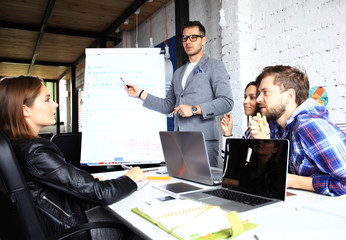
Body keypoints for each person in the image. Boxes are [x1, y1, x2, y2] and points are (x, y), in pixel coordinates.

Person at [0, 76, 146, 239]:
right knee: (141, 226)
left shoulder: (16, 146)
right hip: (72, 230)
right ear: (25, 109)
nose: (55, 104)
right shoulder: (35, 153)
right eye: (47, 99)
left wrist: (86, 181)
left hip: (58, 224)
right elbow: (102, 193)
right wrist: (131, 178)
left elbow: (56, 185)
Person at [126, 21, 233, 167]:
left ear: (204, 40)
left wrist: (194, 109)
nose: (188, 41)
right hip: (178, 140)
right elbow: (168, 106)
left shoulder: (214, 66)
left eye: (193, 37)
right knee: (181, 183)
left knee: (204, 186)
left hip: (203, 140)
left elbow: (227, 102)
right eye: (185, 38)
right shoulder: (178, 73)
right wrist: (140, 93)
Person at [249, 65, 346, 196]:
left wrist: (294, 181)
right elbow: (272, 177)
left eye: (265, 92)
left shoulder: (309, 125)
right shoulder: (275, 127)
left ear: (289, 95)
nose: (259, 99)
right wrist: (265, 140)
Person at [219, 81, 258, 160]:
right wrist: (228, 133)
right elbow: (231, 161)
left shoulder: (268, 130)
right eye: (245, 97)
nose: (245, 101)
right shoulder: (249, 132)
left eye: (252, 97)